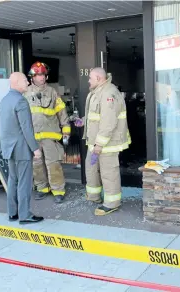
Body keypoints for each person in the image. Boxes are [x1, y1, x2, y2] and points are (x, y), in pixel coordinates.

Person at [74, 68, 131, 216]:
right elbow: (95, 117)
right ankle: (94, 196)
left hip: (107, 145)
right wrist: (83, 122)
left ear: (99, 78)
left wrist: (99, 144)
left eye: (90, 78)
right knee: (91, 168)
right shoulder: (98, 92)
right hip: (95, 143)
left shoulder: (108, 94)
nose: (88, 81)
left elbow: (108, 122)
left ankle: (112, 203)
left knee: (108, 173)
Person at [0, 72, 44, 224]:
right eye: (25, 80)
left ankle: (13, 213)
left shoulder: (4, 100)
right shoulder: (21, 101)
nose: (28, 83)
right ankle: (25, 215)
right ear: (16, 82)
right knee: (24, 181)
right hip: (22, 148)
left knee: (13, 180)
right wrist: (35, 149)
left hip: (9, 147)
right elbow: (27, 129)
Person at [24, 62, 70, 204]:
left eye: (43, 74)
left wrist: (66, 129)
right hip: (33, 137)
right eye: (38, 75)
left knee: (53, 164)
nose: (41, 78)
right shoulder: (25, 92)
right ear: (32, 77)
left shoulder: (52, 92)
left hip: (50, 136)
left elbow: (61, 112)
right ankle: (42, 188)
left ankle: (58, 190)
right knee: (37, 164)